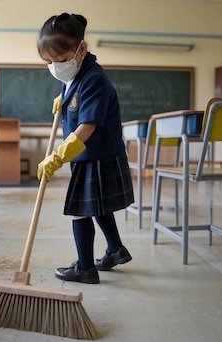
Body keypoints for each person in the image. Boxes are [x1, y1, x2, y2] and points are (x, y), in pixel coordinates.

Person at [36, 12, 134, 284]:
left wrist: (57, 157)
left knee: (81, 210)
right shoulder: (77, 74)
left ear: (82, 49)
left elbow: (86, 128)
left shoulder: (94, 80)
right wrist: (64, 97)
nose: (56, 67)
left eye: (62, 60)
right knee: (100, 207)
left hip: (96, 155)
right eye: (49, 62)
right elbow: (73, 88)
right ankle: (116, 250)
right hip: (93, 155)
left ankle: (85, 268)